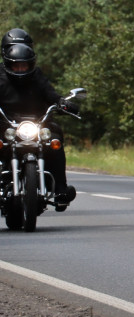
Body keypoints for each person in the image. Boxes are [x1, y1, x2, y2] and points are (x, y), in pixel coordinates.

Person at [0, 39, 77, 209]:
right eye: (17, 66)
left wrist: (63, 102)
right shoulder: (1, 76)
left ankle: (60, 190)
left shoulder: (36, 76)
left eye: (24, 65)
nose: (21, 69)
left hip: (36, 122)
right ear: (8, 64)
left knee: (55, 139)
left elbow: (50, 93)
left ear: (31, 64)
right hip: (7, 123)